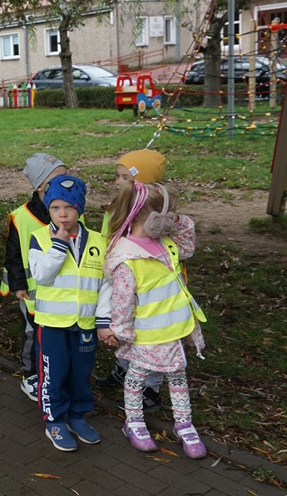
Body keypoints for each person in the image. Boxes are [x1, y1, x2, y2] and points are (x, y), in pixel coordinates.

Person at [101, 182, 207, 458]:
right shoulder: (126, 258)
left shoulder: (166, 245)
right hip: (146, 333)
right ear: (140, 216)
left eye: (171, 216)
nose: (168, 222)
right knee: (137, 376)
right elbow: (122, 302)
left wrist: (177, 219)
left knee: (177, 375)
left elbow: (188, 246)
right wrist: (121, 332)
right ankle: (134, 421)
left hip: (173, 329)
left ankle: (185, 423)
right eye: (162, 216)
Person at [28, 175, 104, 451]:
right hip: (53, 324)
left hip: (84, 323)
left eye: (69, 207)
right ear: (48, 209)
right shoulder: (39, 239)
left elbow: (103, 283)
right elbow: (42, 276)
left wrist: (103, 319)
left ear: (79, 208)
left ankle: (77, 415)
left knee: (81, 373)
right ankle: (55, 419)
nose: (62, 214)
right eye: (55, 208)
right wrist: (59, 245)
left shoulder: (97, 240)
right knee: (54, 373)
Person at [97, 148, 169, 413]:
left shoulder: (151, 217)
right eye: (117, 176)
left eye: (125, 177)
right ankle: (123, 369)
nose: (117, 182)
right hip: (121, 278)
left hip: (147, 289)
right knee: (124, 330)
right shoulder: (115, 208)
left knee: (149, 337)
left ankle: (151, 390)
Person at [0, 153, 67, 402]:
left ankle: (53, 372)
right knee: (32, 333)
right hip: (31, 294)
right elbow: (14, 255)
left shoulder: (71, 211)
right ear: (40, 186)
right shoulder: (22, 217)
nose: (66, 182)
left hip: (62, 294)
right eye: (59, 178)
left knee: (55, 335)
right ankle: (30, 375)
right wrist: (17, 285)